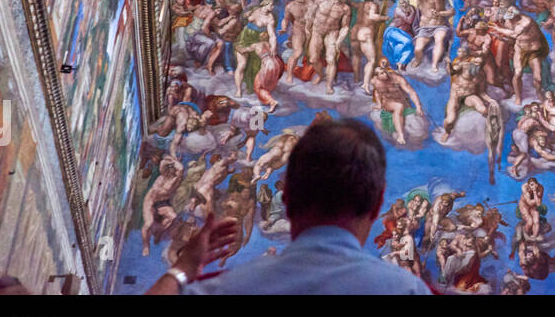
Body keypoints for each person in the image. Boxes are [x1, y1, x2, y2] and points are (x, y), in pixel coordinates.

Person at [146, 119, 430, 294]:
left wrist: (182, 268)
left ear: (288, 197)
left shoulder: (230, 288)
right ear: (378, 203)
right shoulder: (406, 289)